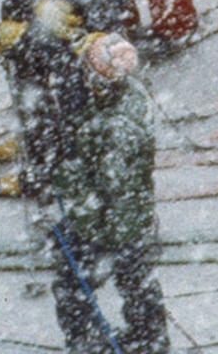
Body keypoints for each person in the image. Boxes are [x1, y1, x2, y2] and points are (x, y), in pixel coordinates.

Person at [43, 34, 167, 354]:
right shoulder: (123, 95)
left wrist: (65, 178)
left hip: (113, 220)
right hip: (129, 214)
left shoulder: (118, 130)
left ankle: (90, 344)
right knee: (138, 284)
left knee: (74, 287)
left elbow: (110, 185)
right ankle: (149, 339)